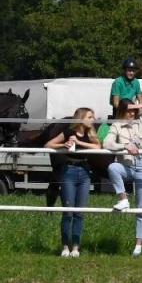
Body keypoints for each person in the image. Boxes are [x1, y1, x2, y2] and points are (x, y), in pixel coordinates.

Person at [104, 95, 142, 255]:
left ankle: (138, 245)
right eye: (128, 111)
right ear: (121, 111)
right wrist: (124, 146)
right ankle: (124, 200)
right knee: (113, 167)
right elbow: (106, 143)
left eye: (133, 111)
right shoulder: (117, 126)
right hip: (127, 166)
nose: (131, 114)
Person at [43, 108, 100, 257]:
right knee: (67, 211)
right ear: (81, 118)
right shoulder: (68, 132)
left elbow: (98, 146)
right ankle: (65, 246)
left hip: (85, 172)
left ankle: (75, 246)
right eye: (89, 117)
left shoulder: (90, 134)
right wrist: (63, 145)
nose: (92, 120)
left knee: (79, 212)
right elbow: (48, 145)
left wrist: (79, 142)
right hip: (69, 171)